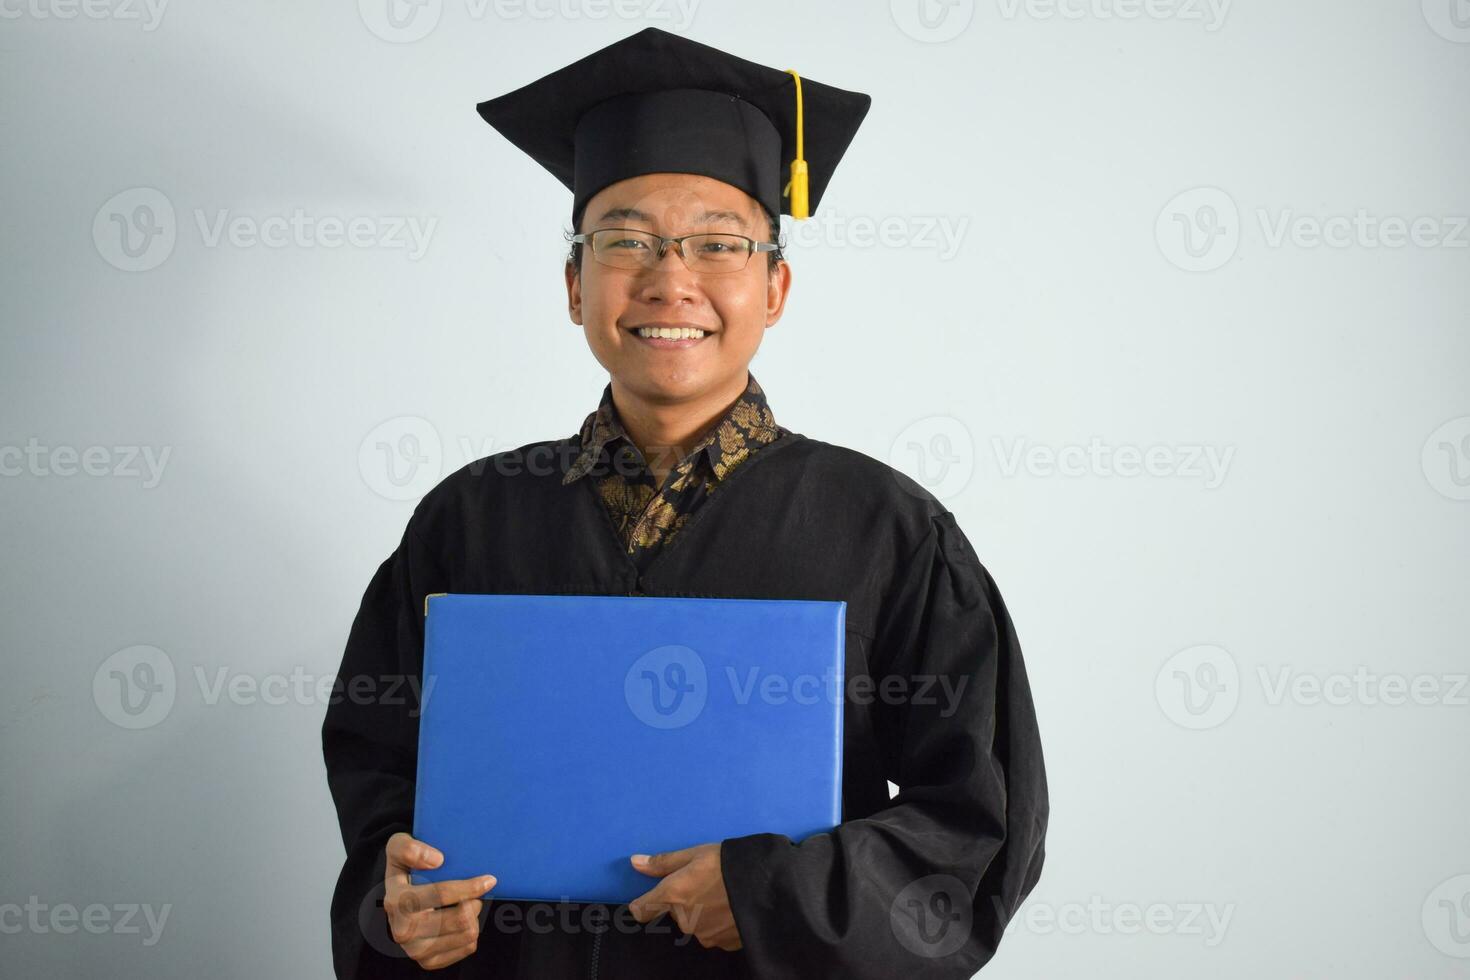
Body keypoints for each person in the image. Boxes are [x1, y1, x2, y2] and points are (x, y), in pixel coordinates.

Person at [322, 26, 1049, 980]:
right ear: (576, 282)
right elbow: (383, 780)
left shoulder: (889, 530)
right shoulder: (470, 518)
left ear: (775, 286)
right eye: (626, 241)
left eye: (718, 244)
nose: (672, 279)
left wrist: (770, 893)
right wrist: (397, 901)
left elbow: (979, 827)